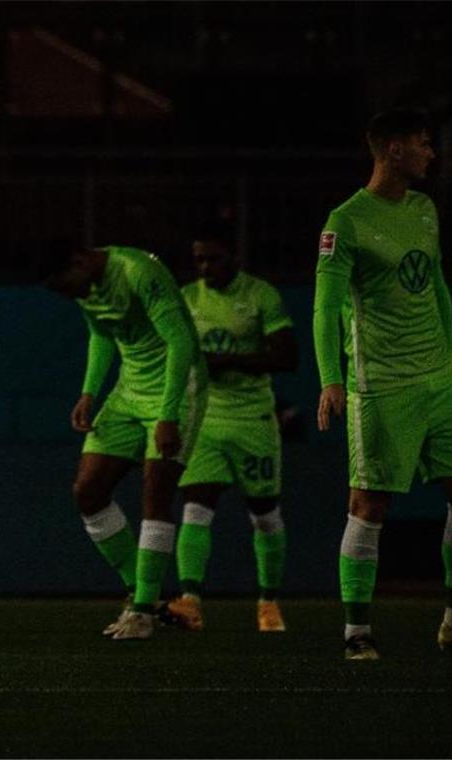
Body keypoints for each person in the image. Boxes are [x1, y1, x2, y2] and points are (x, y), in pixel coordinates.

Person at [314, 107, 452, 660]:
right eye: (423, 143)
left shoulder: (425, 209)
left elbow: (436, 290)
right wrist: (331, 380)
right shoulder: (347, 221)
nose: (432, 153)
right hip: (381, 385)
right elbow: (325, 307)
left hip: (442, 382)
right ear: (392, 150)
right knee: (369, 504)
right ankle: (356, 631)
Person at [45, 244, 208, 640]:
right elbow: (102, 335)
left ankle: (142, 614)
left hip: (176, 389)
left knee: (155, 494)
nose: (74, 297)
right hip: (128, 391)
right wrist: (88, 393)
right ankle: (141, 593)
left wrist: (168, 414)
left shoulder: (138, 273)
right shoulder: (89, 286)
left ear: (81, 260)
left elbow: (181, 342)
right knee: (88, 490)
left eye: (71, 287)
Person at [166, 220, 298, 633]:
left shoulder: (260, 296)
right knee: (196, 508)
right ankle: (190, 600)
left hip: (253, 418)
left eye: (213, 259)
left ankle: (269, 602)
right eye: (199, 260)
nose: (205, 267)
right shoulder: (186, 299)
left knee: (264, 514)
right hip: (204, 418)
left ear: (233, 258)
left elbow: (287, 357)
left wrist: (228, 361)